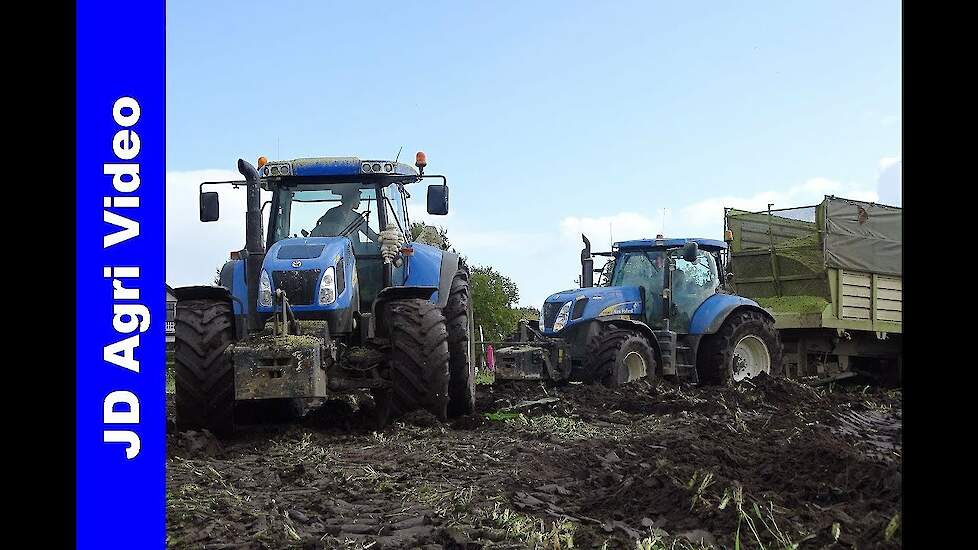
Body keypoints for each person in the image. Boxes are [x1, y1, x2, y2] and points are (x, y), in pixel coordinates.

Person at [310, 185, 380, 241]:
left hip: (355, 254)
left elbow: (373, 237)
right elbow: (321, 231)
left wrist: (386, 237)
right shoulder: (332, 213)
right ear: (352, 198)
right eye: (358, 198)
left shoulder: (358, 218)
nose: (360, 202)